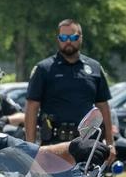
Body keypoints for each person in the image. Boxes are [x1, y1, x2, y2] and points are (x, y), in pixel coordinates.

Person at [25, 19, 115, 161]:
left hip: (87, 144)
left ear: (80, 38)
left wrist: (110, 143)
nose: (68, 41)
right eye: (63, 38)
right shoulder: (43, 69)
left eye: (73, 37)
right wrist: (30, 147)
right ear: (58, 39)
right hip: (53, 145)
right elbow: (32, 107)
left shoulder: (95, 68)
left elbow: (103, 106)